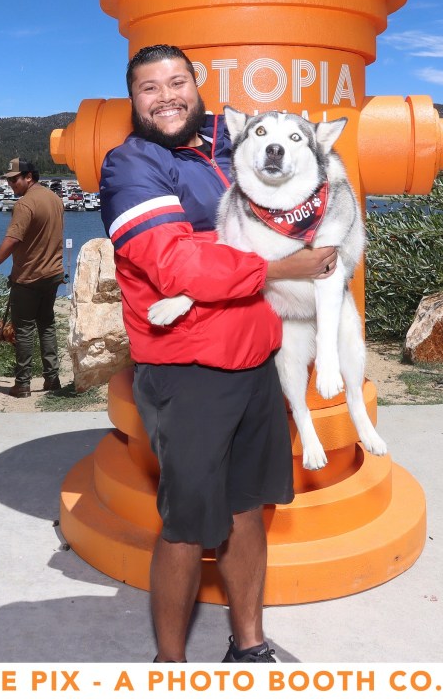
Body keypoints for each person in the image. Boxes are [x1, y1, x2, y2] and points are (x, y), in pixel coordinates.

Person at [99, 44, 338, 663]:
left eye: (177, 82)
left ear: (196, 83)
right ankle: (171, 664)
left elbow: (310, 184)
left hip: (257, 358)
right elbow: (176, 265)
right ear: (133, 99)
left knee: (247, 509)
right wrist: (282, 265)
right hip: (189, 369)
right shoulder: (131, 166)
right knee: (188, 524)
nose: (166, 97)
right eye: (149, 88)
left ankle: (249, 646)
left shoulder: (232, 144)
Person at [0, 159, 65, 397]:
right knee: (47, 325)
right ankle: (52, 379)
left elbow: (12, 240)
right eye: (8, 180)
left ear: (29, 177)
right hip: (53, 274)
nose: (11, 184)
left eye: (14, 179)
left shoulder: (25, 204)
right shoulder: (55, 199)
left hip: (29, 277)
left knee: (24, 329)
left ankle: (23, 383)